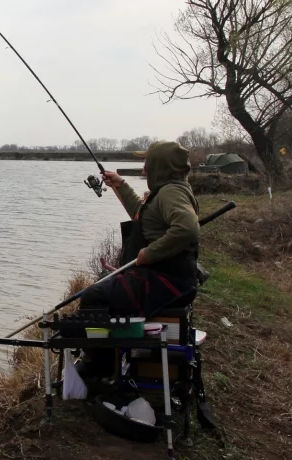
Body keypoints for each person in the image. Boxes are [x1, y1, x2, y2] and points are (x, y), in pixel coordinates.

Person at [77, 141, 201, 377]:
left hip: (166, 280)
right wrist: (120, 185)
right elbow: (142, 214)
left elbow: (187, 229)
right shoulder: (169, 190)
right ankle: (106, 357)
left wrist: (149, 253)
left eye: (148, 164)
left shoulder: (171, 193)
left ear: (160, 166)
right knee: (104, 282)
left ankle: (98, 367)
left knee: (94, 296)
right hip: (166, 276)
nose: (144, 170)